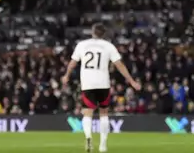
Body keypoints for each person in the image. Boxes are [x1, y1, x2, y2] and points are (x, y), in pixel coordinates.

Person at [61, 24, 142, 153]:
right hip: (103, 83)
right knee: (104, 113)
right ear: (104, 34)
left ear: (92, 32)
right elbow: (119, 65)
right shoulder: (108, 46)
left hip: (87, 83)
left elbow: (72, 63)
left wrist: (66, 75)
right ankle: (103, 145)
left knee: (87, 113)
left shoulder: (82, 45)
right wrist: (132, 81)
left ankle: (88, 138)